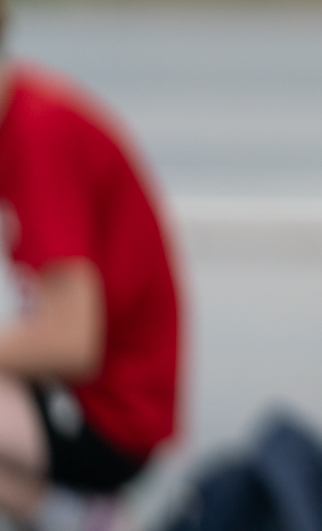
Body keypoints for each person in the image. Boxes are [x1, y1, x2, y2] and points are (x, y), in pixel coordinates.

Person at [0, 56, 181, 526]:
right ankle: (72, 514)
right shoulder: (23, 113)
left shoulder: (36, 134)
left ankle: (79, 513)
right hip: (96, 394)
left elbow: (71, 342)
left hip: (115, 413)